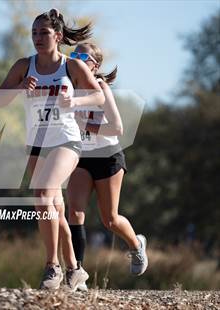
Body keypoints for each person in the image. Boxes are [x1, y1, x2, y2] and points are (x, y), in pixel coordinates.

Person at [0, 9, 105, 291]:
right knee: (53, 206)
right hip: (36, 143)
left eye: (44, 33)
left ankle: (51, 266)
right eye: (34, 33)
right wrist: (19, 88)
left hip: (66, 140)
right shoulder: (23, 66)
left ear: (58, 35)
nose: (38, 38)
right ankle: (75, 269)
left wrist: (74, 101)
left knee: (42, 194)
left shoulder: (71, 67)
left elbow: (99, 95)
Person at [67, 42, 148, 291]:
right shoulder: (67, 88)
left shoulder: (100, 88)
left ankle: (136, 246)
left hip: (108, 156)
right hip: (81, 157)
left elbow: (117, 128)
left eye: (84, 56)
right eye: (74, 55)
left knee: (109, 220)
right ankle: (76, 271)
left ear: (95, 65)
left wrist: (86, 127)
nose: (78, 59)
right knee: (75, 213)